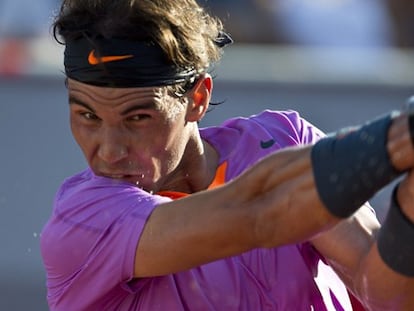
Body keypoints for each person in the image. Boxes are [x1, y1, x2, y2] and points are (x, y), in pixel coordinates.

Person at [40, 0, 414, 310]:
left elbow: (388, 292)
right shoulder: (81, 222)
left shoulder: (283, 139)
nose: (109, 151)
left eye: (137, 118)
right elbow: (259, 214)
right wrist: (398, 138)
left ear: (197, 99)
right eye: (87, 116)